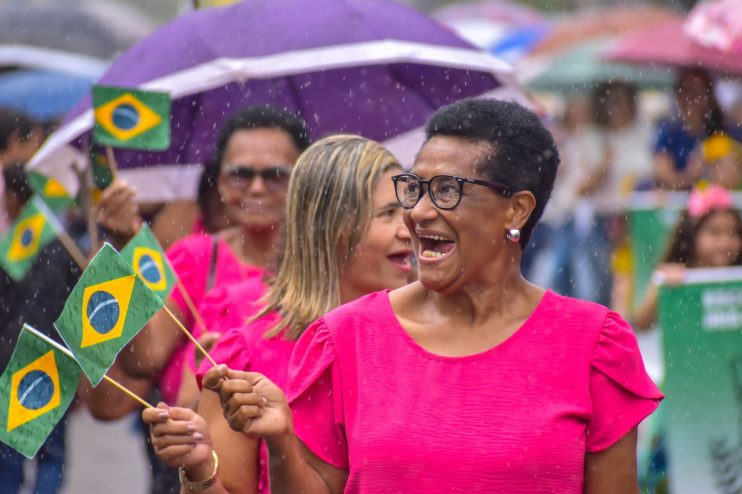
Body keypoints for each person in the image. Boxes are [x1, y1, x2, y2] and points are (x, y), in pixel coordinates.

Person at [159, 99, 662, 493]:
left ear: (516, 211)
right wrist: (282, 442)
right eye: (413, 188)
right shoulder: (344, 339)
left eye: (445, 190)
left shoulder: (594, 343)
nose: (417, 214)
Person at [141, 134, 412, 493]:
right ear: (330, 228)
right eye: (388, 214)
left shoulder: (426, 340)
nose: (408, 229)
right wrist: (200, 468)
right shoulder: (245, 356)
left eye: (407, 211)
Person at [99, 106, 310, 405]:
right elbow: (144, 358)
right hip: (194, 442)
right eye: (240, 175)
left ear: (303, 182)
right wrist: (123, 251)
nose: (257, 188)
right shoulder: (194, 257)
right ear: (221, 183)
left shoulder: (325, 265)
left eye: (275, 175)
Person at [0, 164, 82, 494]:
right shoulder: (64, 246)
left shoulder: (13, 247)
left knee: (9, 450)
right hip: (54, 360)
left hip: (11, 356)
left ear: (18, 197)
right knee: (51, 452)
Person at [633, 184, 742, 331]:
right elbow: (641, 324)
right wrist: (660, 286)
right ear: (692, 235)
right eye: (715, 232)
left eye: (733, 232)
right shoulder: (676, 277)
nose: (725, 242)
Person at [653, 68, 725, 190]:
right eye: (687, 91)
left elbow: (728, 178)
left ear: (710, 97)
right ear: (678, 95)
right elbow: (663, 176)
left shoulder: (720, 131)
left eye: (699, 92)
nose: (692, 99)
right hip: (676, 204)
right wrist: (690, 176)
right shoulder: (668, 131)